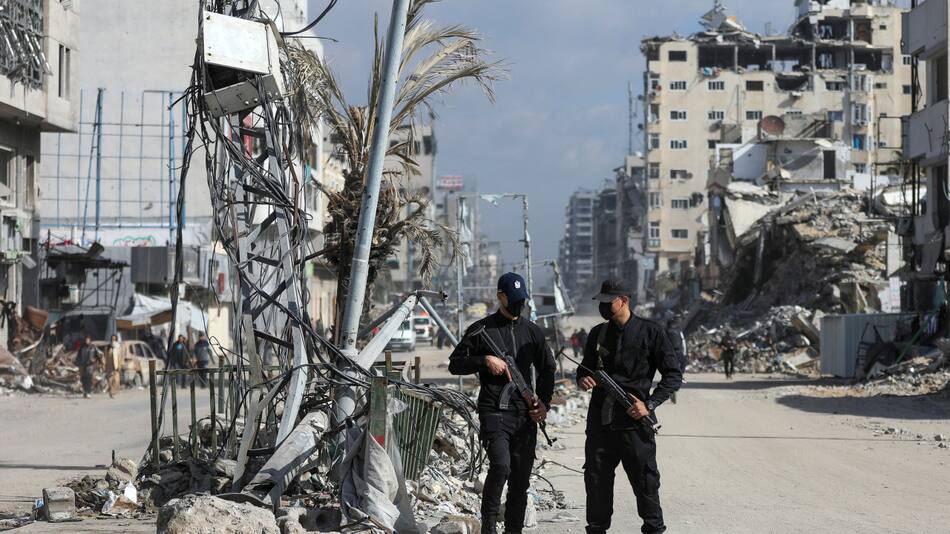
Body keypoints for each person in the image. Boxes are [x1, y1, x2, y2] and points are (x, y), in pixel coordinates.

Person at [449, 272, 556, 534]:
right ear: (501, 297)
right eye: (514, 299)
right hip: (494, 411)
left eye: (522, 300)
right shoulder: (481, 330)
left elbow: (548, 370)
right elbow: (455, 363)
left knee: (520, 482)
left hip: (524, 414)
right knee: (501, 466)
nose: (519, 305)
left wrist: (543, 404)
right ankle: (488, 528)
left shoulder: (533, 332)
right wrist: (484, 360)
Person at [577, 279, 682, 534]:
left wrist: (650, 404)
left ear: (623, 300)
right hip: (601, 424)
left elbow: (672, 376)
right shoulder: (598, 334)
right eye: (601, 302)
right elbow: (584, 369)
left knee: (646, 484)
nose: (603, 308)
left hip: (634, 423)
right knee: (597, 483)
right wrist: (583, 379)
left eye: (608, 302)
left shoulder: (652, 332)